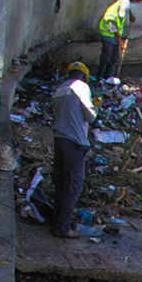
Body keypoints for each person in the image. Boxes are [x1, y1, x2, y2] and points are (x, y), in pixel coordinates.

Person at [51, 60, 98, 238]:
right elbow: (90, 116)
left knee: (61, 182)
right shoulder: (82, 87)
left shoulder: (60, 88)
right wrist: (97, 106)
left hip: (59, 138)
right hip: (75, 142)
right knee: (72, 184)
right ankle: (62, 227)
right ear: (84, 76)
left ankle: (57, 221)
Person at [97, 0, 136, 81]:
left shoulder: (123, 3)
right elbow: (115, 32)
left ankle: (109, 78)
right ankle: (100, 78)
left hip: (115, 35)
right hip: (107, 33)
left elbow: (128, 8)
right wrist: (122, 45)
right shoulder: (112, 16)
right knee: (107, 56)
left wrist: (131, 16)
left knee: (114, 57)